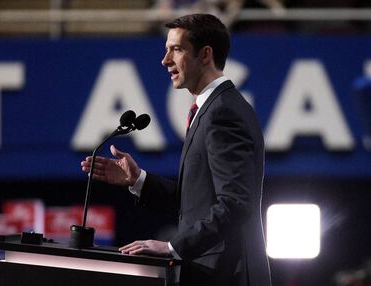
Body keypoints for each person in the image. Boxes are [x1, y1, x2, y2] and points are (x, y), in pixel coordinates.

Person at [81, 13, 271, 286]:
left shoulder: (223, 112)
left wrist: (173, 247)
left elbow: (235, 203)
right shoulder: (212, 108)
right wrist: (138, 181)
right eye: (166, 49)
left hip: (227, 274)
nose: (165, 60)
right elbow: (199, 203)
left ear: (205, 55)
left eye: (176, 49)